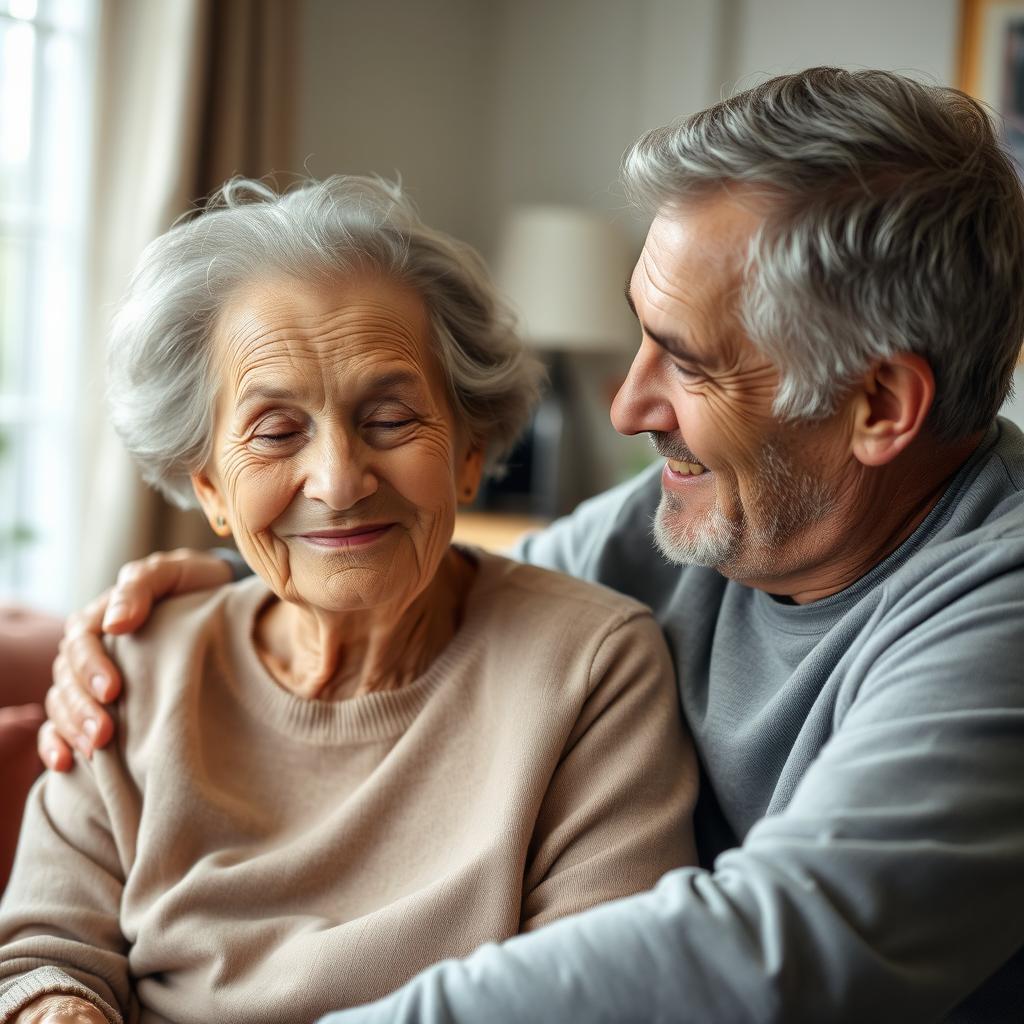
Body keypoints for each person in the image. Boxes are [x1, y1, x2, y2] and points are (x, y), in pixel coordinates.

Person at [38, 67, 1024, 1022]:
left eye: (686, 362)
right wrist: (188, 603)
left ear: (878, 404)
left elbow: (773, 952)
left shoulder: (998, 619)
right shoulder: (718, 513)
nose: (627, 404)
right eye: (640, 336)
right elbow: (455, 600)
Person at [0, 176, 698, 1024]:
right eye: (276, 431)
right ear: (213, 489)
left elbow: (595, 992)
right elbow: (41, 958)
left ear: (470, 454)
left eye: (391, 418)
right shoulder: (134, 665)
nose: (338, 481)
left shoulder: (590, 668)